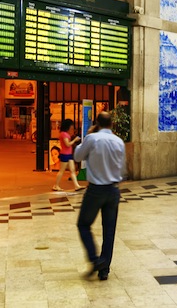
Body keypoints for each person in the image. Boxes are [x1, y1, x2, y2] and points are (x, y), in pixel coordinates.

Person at [74, 111, 126, 281]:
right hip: (113, 190)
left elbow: (77, 156)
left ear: (97, 123)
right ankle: (104, 268)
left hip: (96, 189)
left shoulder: (92, 138)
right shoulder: (119, 141)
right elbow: (122, 168)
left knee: (83, 224)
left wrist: (88, 136)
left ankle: (95, 260)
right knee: (109, 230)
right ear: (112, 124)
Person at [53, 119, 83, 191]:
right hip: (65, 154)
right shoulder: (64, 134)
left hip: (68, 154)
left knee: (72, 170)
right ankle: (56, 185)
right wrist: (75, 140)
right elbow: (67, 144)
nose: (72, 129)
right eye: (71, 127)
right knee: (62, 171)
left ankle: (76, 185)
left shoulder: (64, 134)